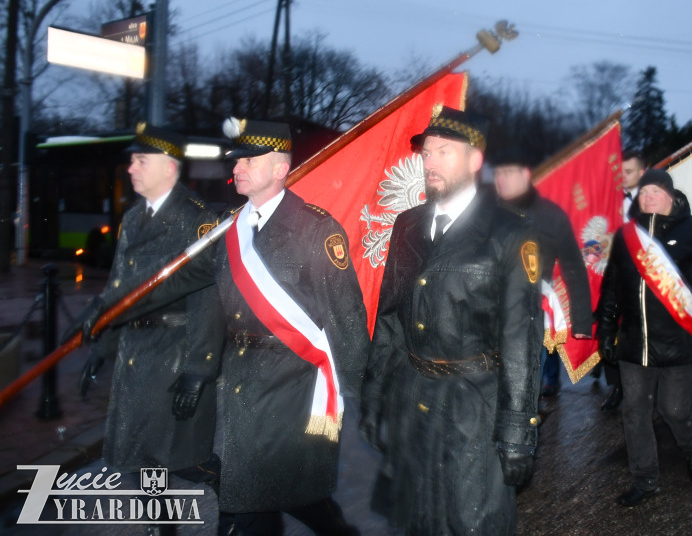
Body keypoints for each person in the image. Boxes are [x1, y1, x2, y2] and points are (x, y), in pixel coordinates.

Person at [128, 118, 369, 535]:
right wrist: (195, 366)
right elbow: (207, 300)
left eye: (247, 160)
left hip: (294, 384)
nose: (235, 168)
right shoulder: (229, 227)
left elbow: (346, 316)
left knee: (252, 497)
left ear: (279, 169)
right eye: (235, 160)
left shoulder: (315, 229)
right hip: (242, 381)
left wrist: (362, 394)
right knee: (287, 495)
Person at [360, 107, 543, 535]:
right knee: (415, 519)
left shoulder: (510, 233)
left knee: (471, 521)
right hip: (411, 399)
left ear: (475, 160)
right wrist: (373, 397)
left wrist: (518, 432)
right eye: (427, 153)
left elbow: (521, 341)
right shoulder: (406, 226)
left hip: (474, 407)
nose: (430, 162)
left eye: (444, 151)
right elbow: (389, 321)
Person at [69, 123, 221, 534]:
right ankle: (162, 528)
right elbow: (118, 291)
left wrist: (199, 368)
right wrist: (99, 345)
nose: (130, 168)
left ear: (169, 167)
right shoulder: (133, 219)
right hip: (137, 354)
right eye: (132, 160)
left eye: (140, 160)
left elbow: (209, 297)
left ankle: (235, 498)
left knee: (187, 460)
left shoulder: (197, 220)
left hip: (174, 353)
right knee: (142, 457)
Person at [595, 169, 692, 507]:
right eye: (643, 193)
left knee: (674, 409)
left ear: (671, 196)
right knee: (634, 412)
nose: (648, 197)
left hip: (679, 342)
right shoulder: (627, 236)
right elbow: (611, 287)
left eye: (655, 191)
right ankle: (644, 479)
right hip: (634, 344)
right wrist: (607, 332)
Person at [492, 147, 593, 398]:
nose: (501, 179)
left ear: (526, 174)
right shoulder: (486, 214)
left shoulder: (551, 215)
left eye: (508, 172)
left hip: (531, 314)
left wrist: (581, 320)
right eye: (497, 173)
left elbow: (573, 267)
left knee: (524, 390)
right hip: (488, 313)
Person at [598, 150, 647, 412]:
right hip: (614, 270)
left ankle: (641, 385)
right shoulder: (611, 198)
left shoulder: (652, 199)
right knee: (610, 327)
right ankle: (617, 386)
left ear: (642, 172)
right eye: (620, 171)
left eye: (628, 171)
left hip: (644, 272)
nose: (623, 176)